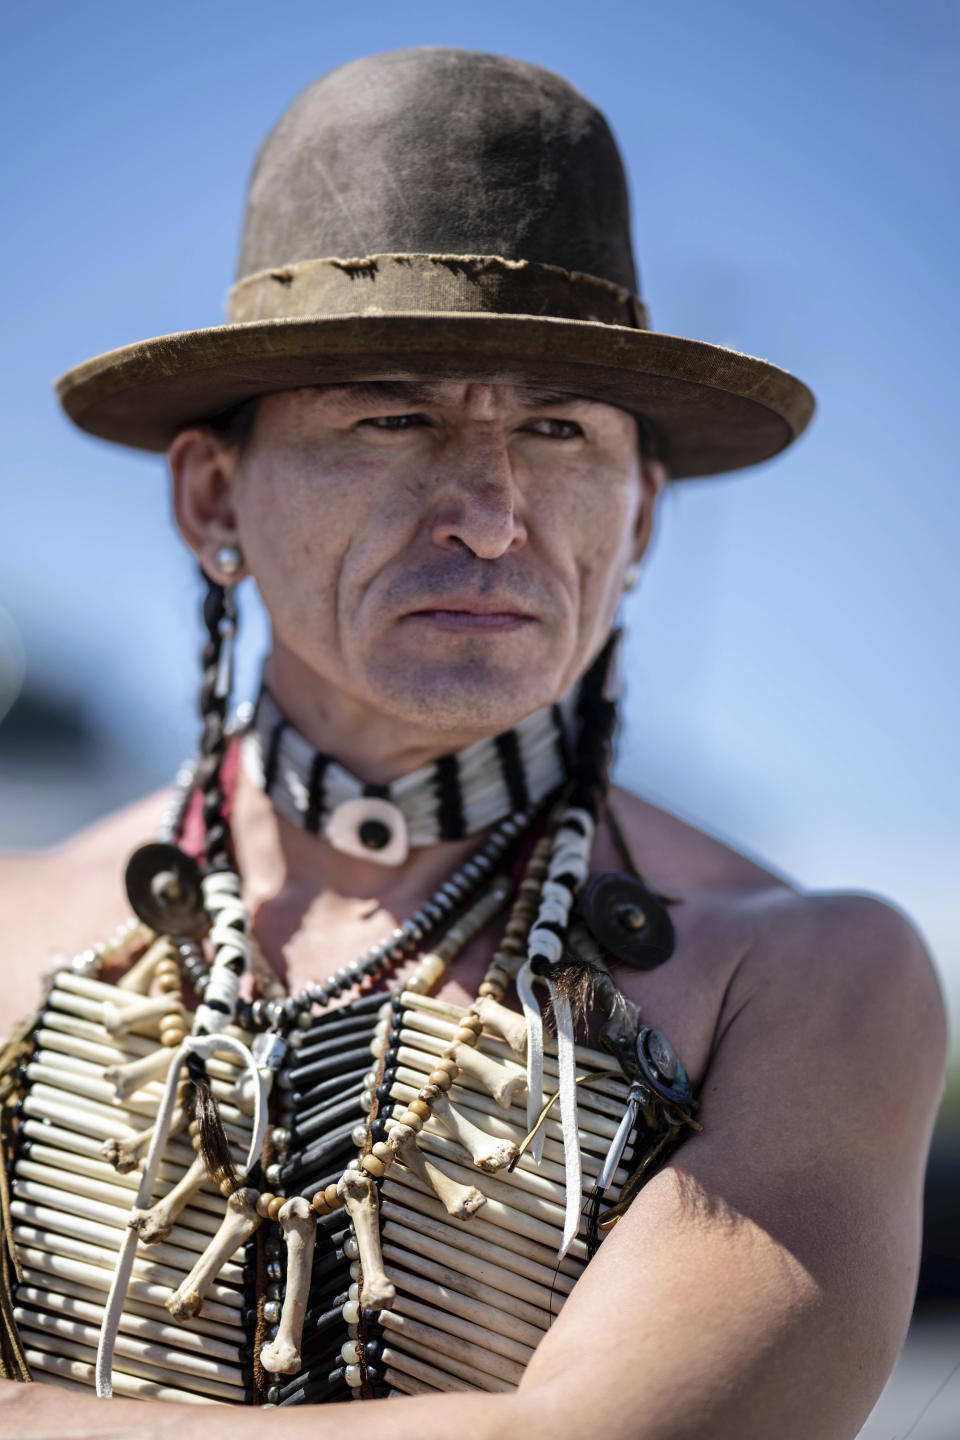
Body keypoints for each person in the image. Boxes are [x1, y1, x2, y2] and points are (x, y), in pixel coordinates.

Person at [0, 46, 946, 1440]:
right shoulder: (17, 935)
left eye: (559, 432)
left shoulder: (800, 981)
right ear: (212, 495)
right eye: (392, 417)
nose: (493, 517)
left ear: (639, 522)